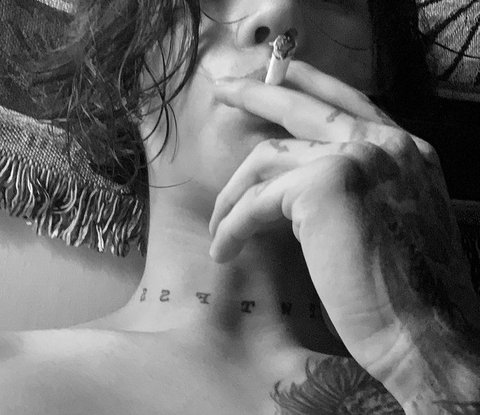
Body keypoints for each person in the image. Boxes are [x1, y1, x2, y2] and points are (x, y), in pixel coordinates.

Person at [1, 0, 480, 413]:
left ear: (380, 72)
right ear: (123, 73)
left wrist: (433, 355)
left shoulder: (455, 362)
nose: (278, 10)